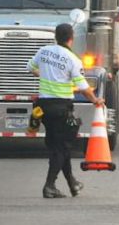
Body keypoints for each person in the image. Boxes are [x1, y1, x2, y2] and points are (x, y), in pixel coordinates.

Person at [28, 23, 104, 199]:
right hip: (61, 108)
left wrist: (46, 75)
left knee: (59, 148)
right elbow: (84, 87)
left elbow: (30, 67)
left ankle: (72, 184)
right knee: (61, 148)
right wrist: (96, 100)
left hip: (43, 108)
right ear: (71, 38)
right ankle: (49, 186)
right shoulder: (73, 59)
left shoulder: (44, 51)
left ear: (56, 36)